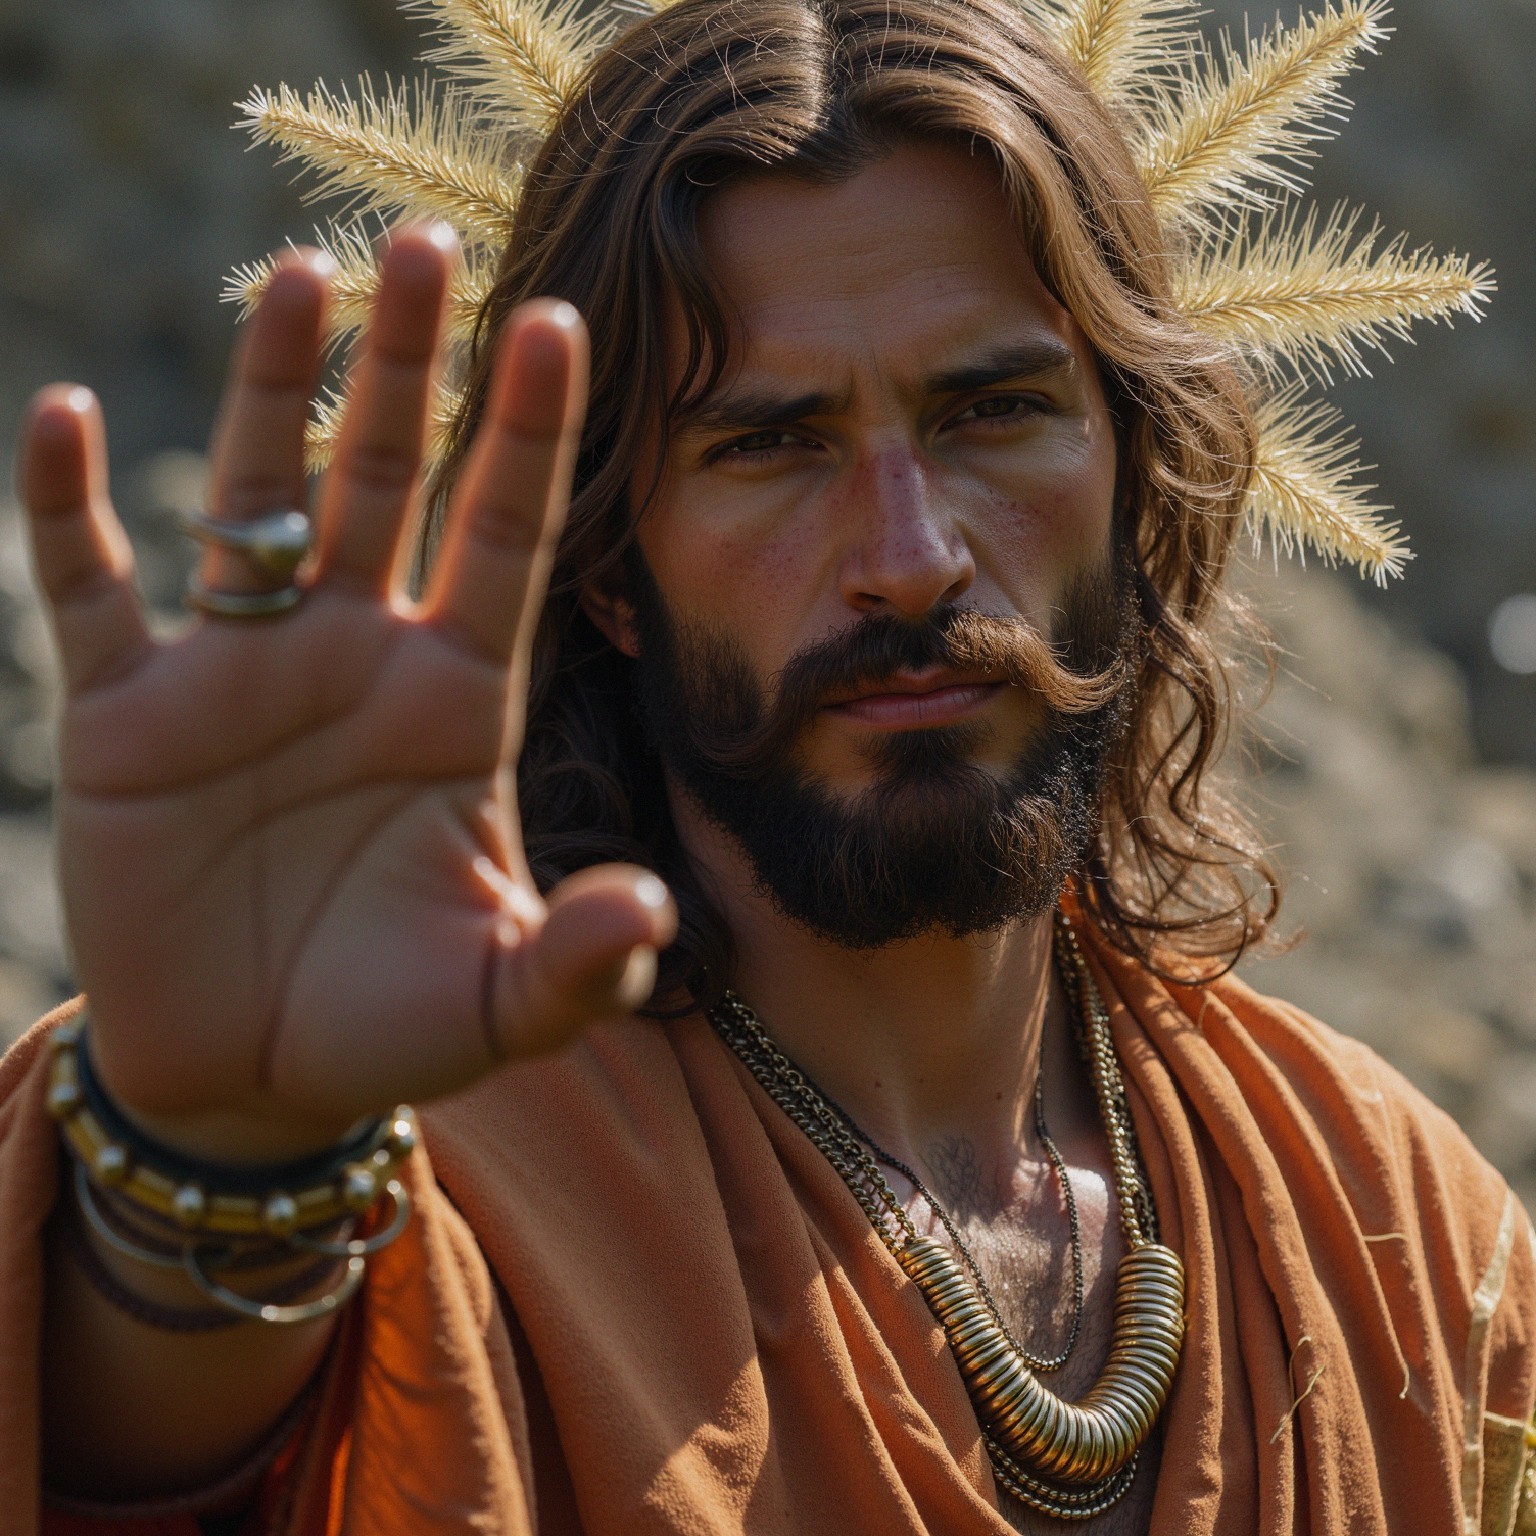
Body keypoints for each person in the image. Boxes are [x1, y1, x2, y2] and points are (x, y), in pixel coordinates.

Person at [3, 0, 1532, 1531]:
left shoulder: (1399, 1222)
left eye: (994, 412)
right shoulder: (408, 1138)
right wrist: (206, 1169)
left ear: (1137, 471)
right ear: (608, 564)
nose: (912, 561)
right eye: (768, 445)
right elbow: (123, 1452)